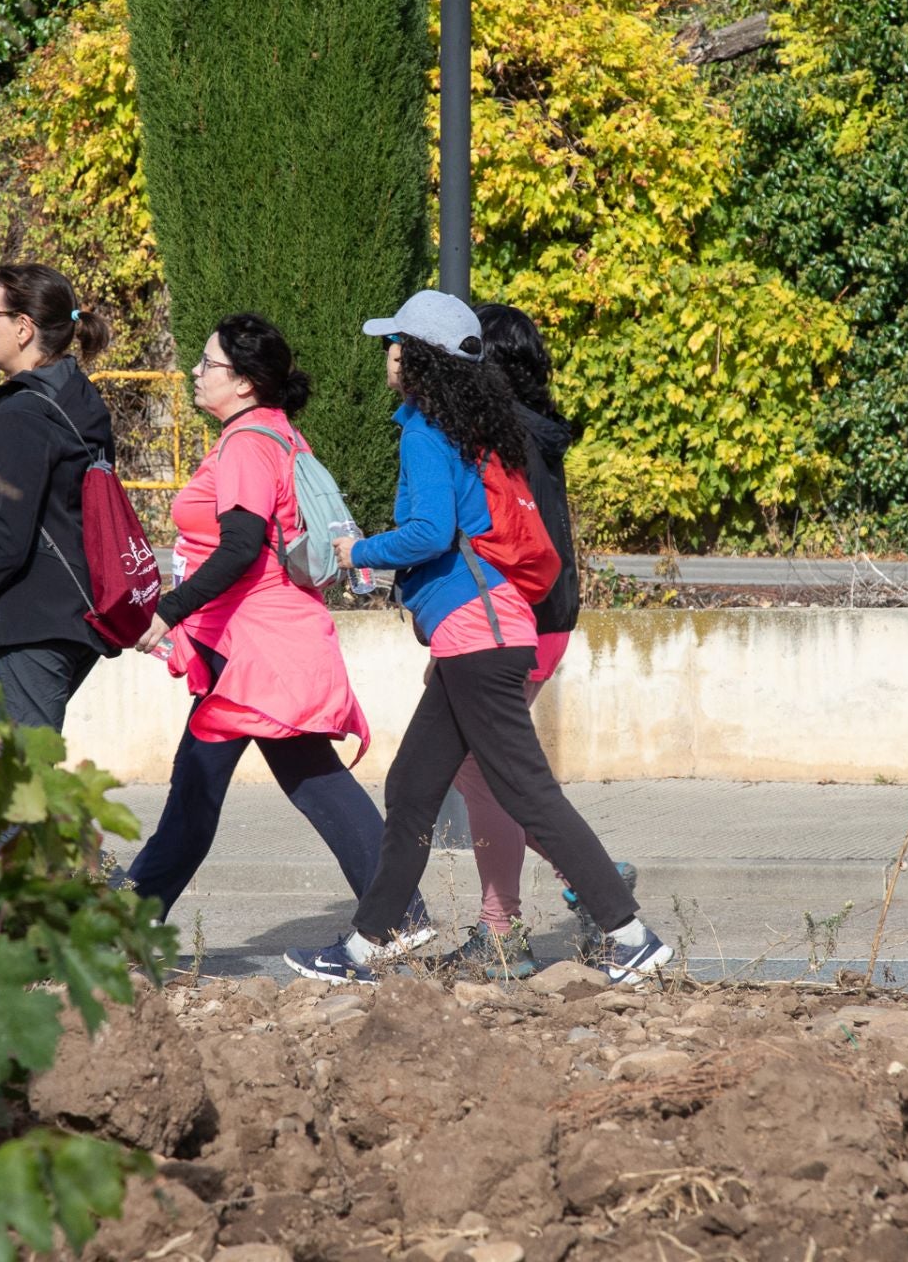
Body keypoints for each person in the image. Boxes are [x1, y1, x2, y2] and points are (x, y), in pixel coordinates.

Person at [283, 291, 669, 988]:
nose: (388, 357)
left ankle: (630, 934)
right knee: (410, 787)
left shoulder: (426, 434)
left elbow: (430, 532)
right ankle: (368, 944)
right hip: (483, 632)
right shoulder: (464, 430)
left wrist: (357, 553)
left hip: (480, 637)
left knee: (527, 793)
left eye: (395, 344)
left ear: (422, 358)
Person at [121, 313, 432, 946]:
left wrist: (169, 611)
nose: (195, 373)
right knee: (231, 787)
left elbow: (239, 547)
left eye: (207, 364)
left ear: (242, 381)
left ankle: (119, 930)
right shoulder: (277, 433)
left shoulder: (245, 444)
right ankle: (402, 916)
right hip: (257, 645)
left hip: (253, 649)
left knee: (223, 789)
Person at [436, 302, 632, 977]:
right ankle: (561, 891)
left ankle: (514, 922)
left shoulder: (505, 436)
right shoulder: (534, 430)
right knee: (486, 767)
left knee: (480, 769)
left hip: (512, 622)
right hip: (544, 618)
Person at [0, 263, 118, 731]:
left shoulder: (22, 413)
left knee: (18, 785)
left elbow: (9, 546)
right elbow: (58, 510)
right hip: (75, 615)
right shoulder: (79, 398)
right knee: (8, 776)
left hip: (35, 623)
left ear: (23, 328)